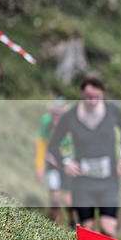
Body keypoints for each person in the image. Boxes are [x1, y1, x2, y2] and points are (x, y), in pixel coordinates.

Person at [48, 75, 121, 238]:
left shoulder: (113, 110)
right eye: (88, 97)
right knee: (87, 231)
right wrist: (65, 163)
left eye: (97, 97)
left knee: (108, 229)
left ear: (102, 95)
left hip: (109, 181)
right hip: (82, 183)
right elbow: (53, 144)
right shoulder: (70, 116)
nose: (92, 101)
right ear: (81, 94)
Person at [34, 97, 77, 227]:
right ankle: (55, 224)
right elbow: (42, 144)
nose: (56, 118)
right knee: (54, 195)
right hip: (52, 162)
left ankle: (73, 223)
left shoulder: (71, 123)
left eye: (60, 115)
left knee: (68, 197)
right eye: (55, 114)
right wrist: (39, 167)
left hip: (67, 163)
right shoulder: (46, 122)